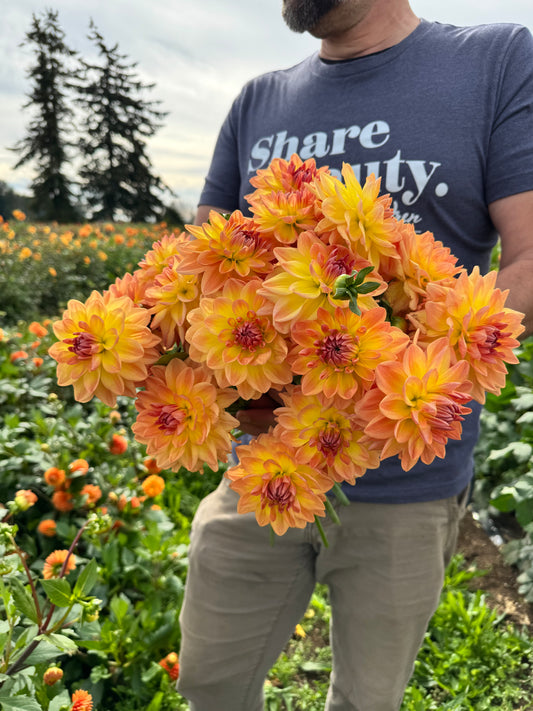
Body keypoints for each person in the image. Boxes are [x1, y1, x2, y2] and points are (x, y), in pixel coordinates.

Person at [176, 1, 533, 709]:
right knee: (210, 681)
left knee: (367, 699)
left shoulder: (495, 61)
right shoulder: (258, 100)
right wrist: (203, 370)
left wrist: (392, 375)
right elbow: (199, 272)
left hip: (406, 485)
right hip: (263, 469)